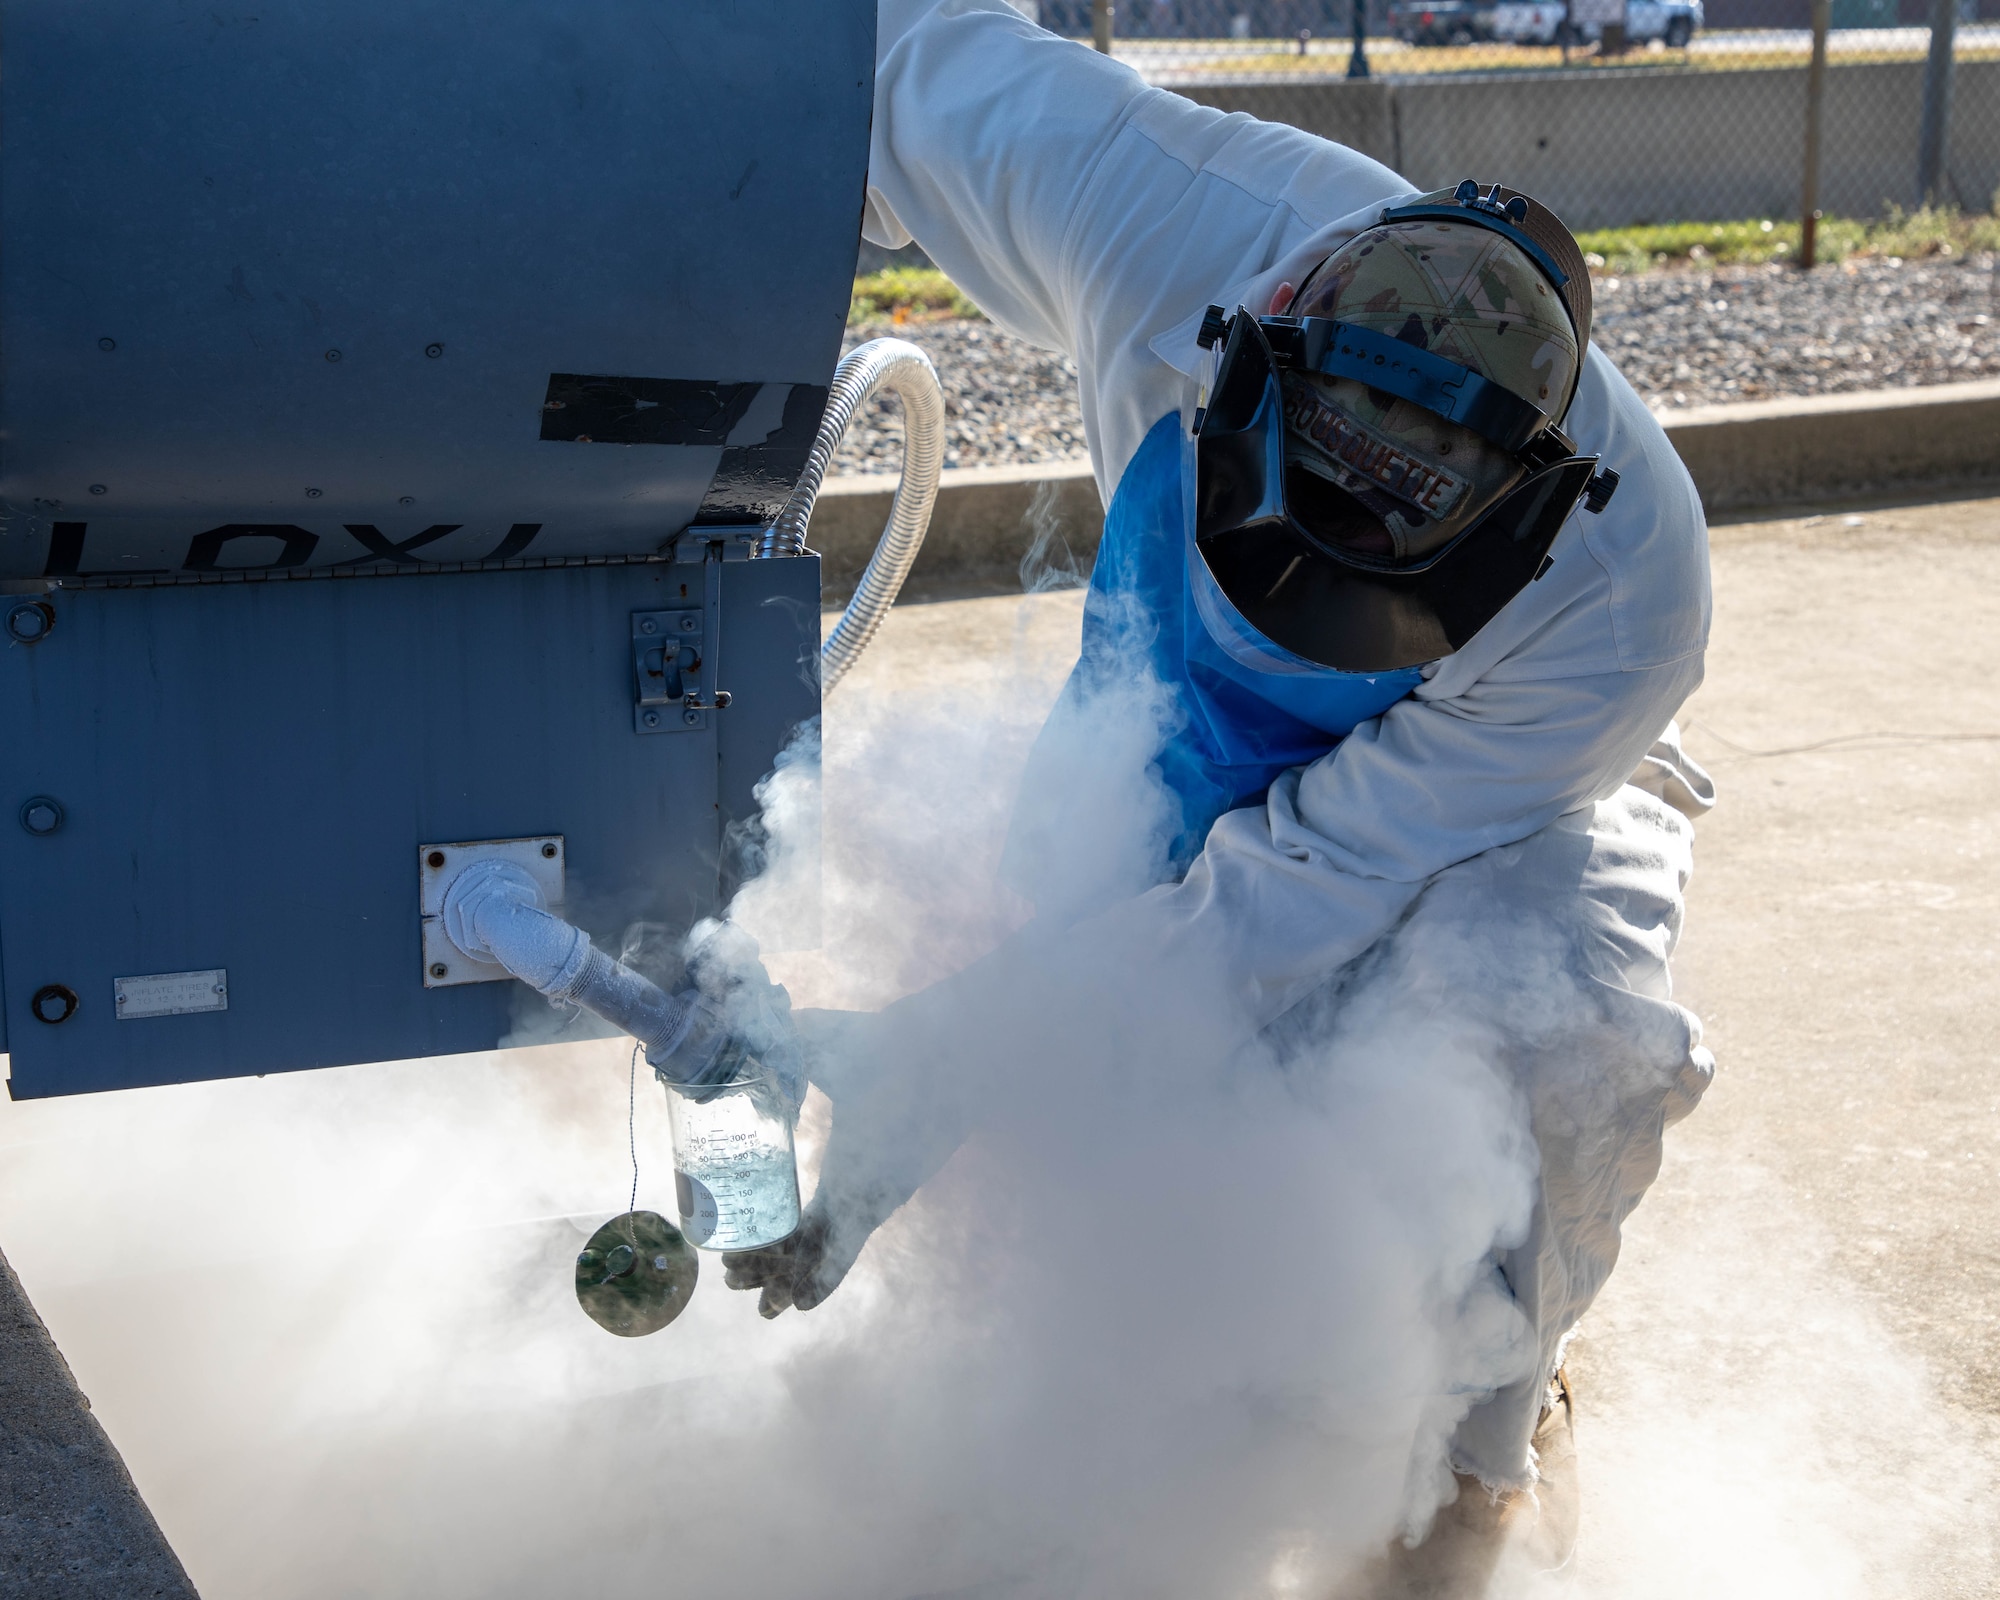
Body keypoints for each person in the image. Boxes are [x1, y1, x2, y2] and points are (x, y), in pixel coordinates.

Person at [725, 0, 1716, 1583]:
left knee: (1549, 1033)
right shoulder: (1142, 200)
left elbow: (1288, 898)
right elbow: (876, 49)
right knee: (1105, 1074)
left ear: (1529, 518)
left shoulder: (1620, 597)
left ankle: (1481, 1458)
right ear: (1253, 323)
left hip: (1481, 808)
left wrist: (964, 1045)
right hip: (1163, 721)